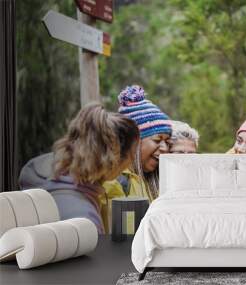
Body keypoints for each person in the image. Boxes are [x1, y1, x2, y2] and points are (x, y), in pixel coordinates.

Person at [43, 103, 140, 234]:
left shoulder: (48, 185)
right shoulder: (85, 220)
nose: (131, 163)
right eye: (132, 155)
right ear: (115, 159)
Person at [101, 85, 172, 231]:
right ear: (135, 142)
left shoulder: (158, 180)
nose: (165, 148)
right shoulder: (111, 181)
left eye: (167, 141)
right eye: (157, 140)